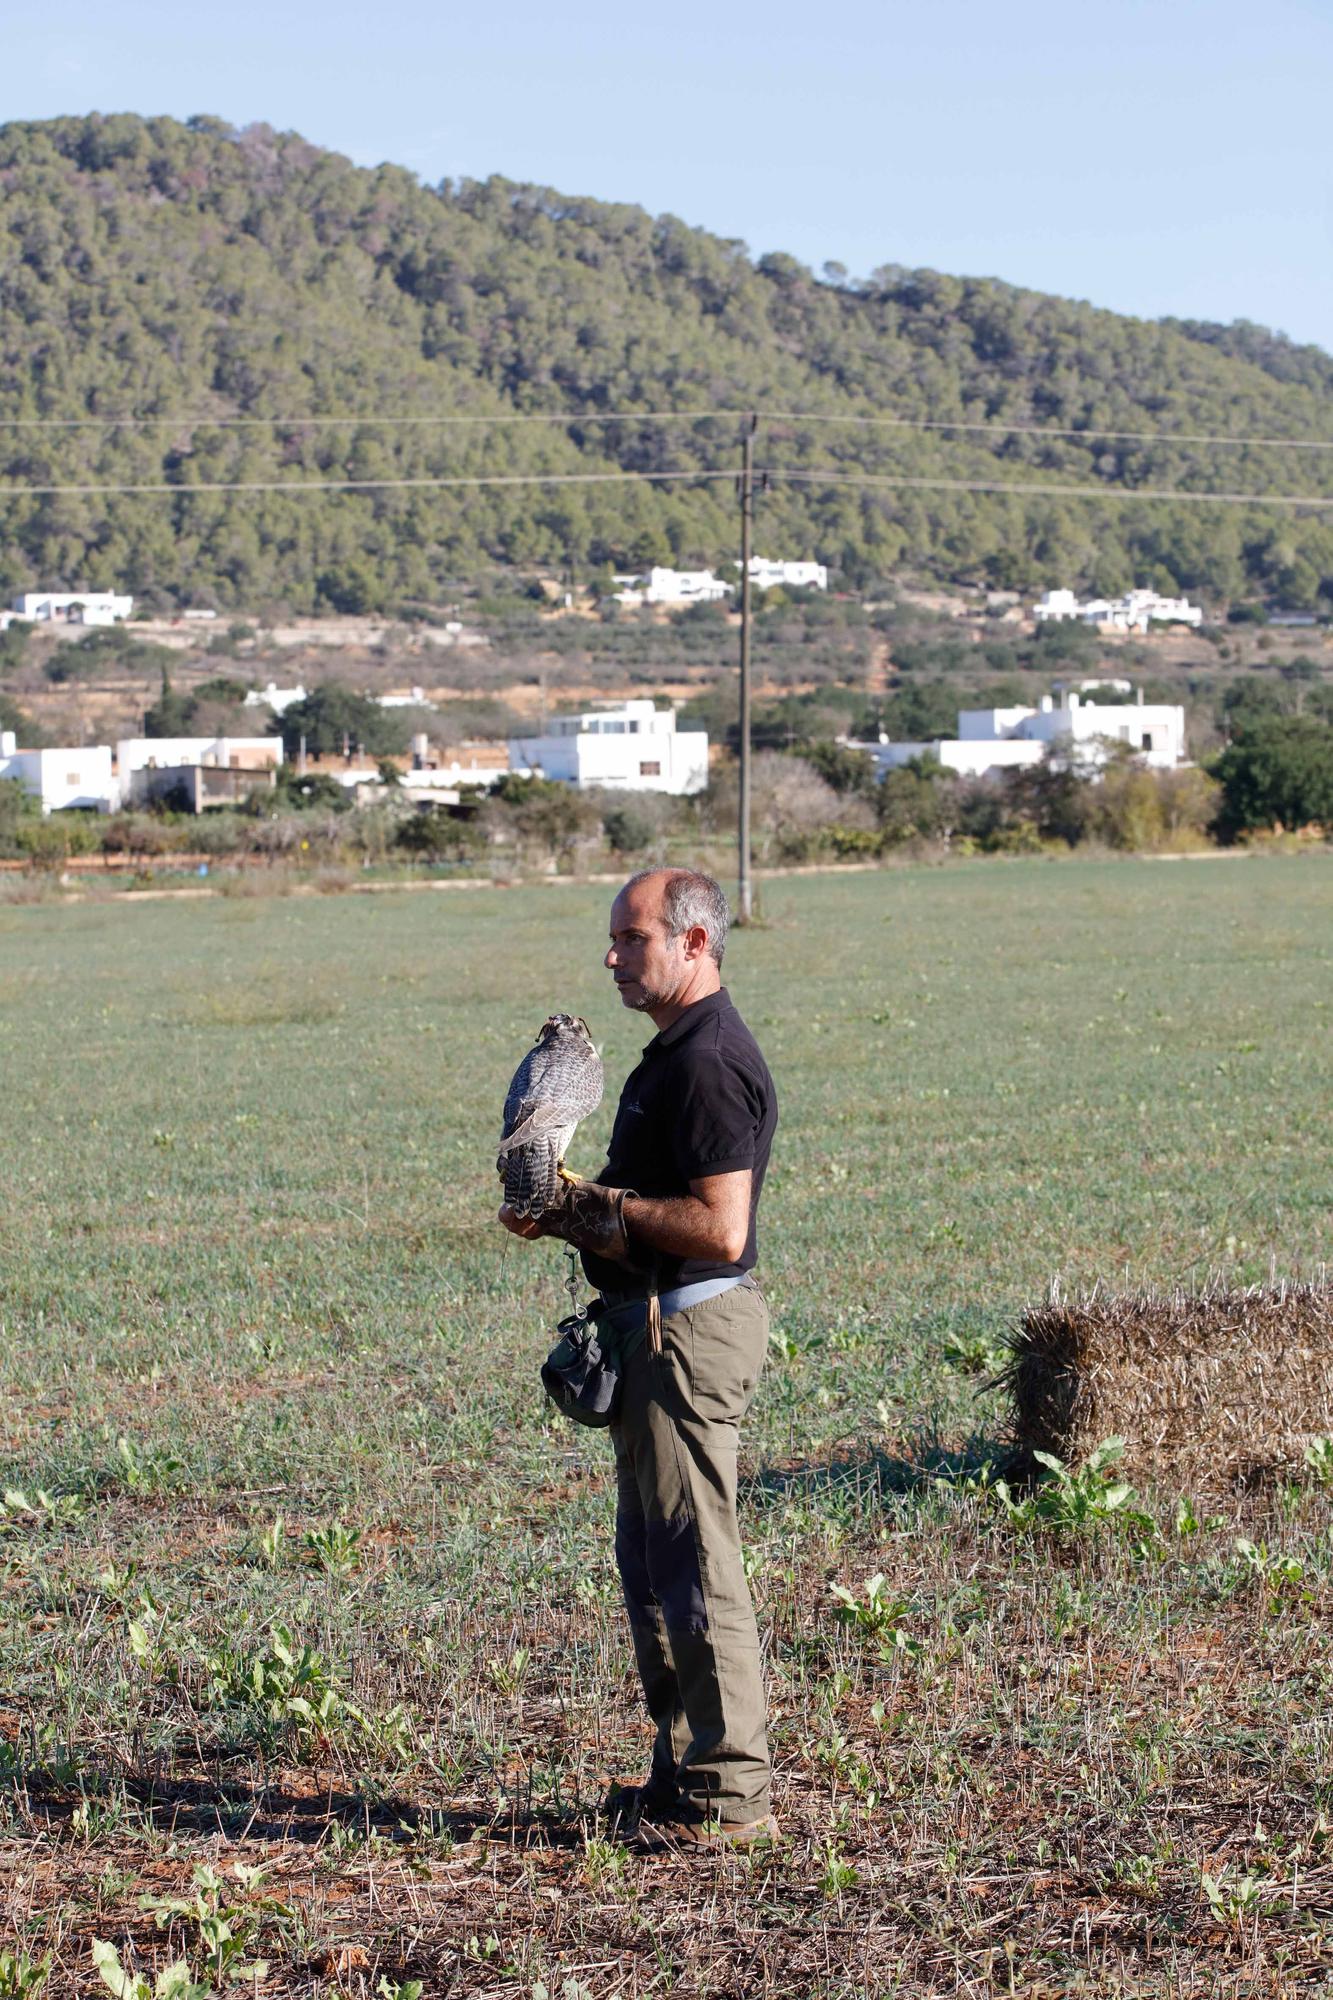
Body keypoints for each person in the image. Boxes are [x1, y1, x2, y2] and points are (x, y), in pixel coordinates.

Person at [499, 866, 778, 1846]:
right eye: (612, 939)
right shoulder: (667, 1054)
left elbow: (719, 1226)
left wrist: (594, 1206)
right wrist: (562, 1210)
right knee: (654, 1565)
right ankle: (682, 1773)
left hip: (686, 1330)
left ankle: (730, 1797)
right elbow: (632, 1210)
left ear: (694, 942)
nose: (612, 955)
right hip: (647, 1326)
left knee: (695, 1564)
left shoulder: (707, 1062)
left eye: (632, 938)